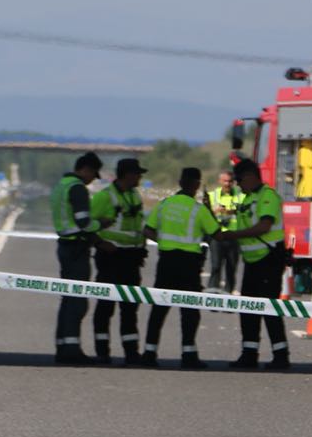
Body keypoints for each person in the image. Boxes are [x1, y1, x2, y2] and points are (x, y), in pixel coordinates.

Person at [142, 167, 223, 369]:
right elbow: (217, 233)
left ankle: (149, 352)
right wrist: (210, 209)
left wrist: (162, 242)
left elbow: (147, 230)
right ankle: (189, 354)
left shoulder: (164, 205)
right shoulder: (198, 209)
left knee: (159, 308)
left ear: (180, 182)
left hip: (167, 261)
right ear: (196, 185)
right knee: (189, 310)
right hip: (189, 264)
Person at [217, 159, 291, 370]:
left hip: (268, 260)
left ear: (250, 176)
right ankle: (249, 354)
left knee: (269, 308)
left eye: (239, 179)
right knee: (248, 309)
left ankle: (281, 355)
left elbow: (264, 226)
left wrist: (234, 235)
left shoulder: (267, 196)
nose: (238, 184)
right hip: (252, 261)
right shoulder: (248, 198)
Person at [89, 157, 149, 364]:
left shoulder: (135, 196)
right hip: (110, 256)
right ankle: (102, 352)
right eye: (137, 173)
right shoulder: (104, 197)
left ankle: (131, 353)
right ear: (127, 175)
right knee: (105, 305)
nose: (140, 177)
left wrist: (141, 247)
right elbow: (88, 227)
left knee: (130, 307)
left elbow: (138, 225)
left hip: (131, 258)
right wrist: (100, 244)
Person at [51, 151, 103, 363]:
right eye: (93, 175)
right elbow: (84, 221)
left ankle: (63, 346)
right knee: (77, 300)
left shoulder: (61, 185)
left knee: (68, 298)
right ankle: (72, 351)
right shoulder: (77, 188)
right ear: (86, 170)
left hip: (65, 245)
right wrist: (101, 225)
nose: (92, 180)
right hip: (76, 248)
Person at [204, 170, 243, 292]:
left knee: (231, 269)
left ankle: (228, 296)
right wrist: (214, 211)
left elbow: (243, 211)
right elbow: (205, 214)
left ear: (233, 182)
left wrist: (229, 211)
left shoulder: (240, 196)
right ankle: (212, 294)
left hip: (233, 237)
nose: (227, 184)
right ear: (219, 181)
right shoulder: (212, 195)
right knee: (215, 267)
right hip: (217, 236)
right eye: (225, 181)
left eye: (230, 181)